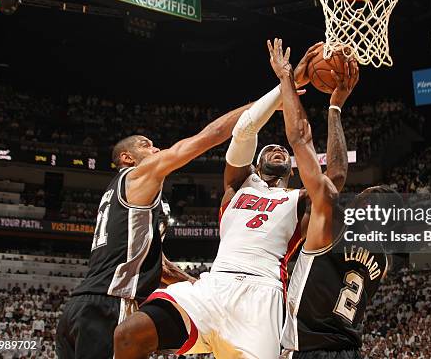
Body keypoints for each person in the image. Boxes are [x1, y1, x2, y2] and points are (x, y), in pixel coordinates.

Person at [112, 40, 358, 359]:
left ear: (293, 170)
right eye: (268, 148)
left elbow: (335, 178)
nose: (277, 148)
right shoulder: (237, 185)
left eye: (282, 150)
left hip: (262, 298)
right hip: (213, 288)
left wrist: (334, 108)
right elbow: (244, 130)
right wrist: (286, 80)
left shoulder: (298, 200)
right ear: (255, 164)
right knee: (129, 334)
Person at [55, 101, 254, 359]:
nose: (156, 148)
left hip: (77, 308)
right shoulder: (136, 177)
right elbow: (210, 136)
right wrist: (262, 106)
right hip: (111, 304)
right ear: (127, 158)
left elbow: (161, 268)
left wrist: (204, 290)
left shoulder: (119, 200)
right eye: (145, 145)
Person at [274, 39, 398, 359]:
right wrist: (334, 108)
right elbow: (337, 179)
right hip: (349, 350)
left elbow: (302, 142)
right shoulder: (383, 259)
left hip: (309, 349)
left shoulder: (333, 227)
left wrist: (288, 80)